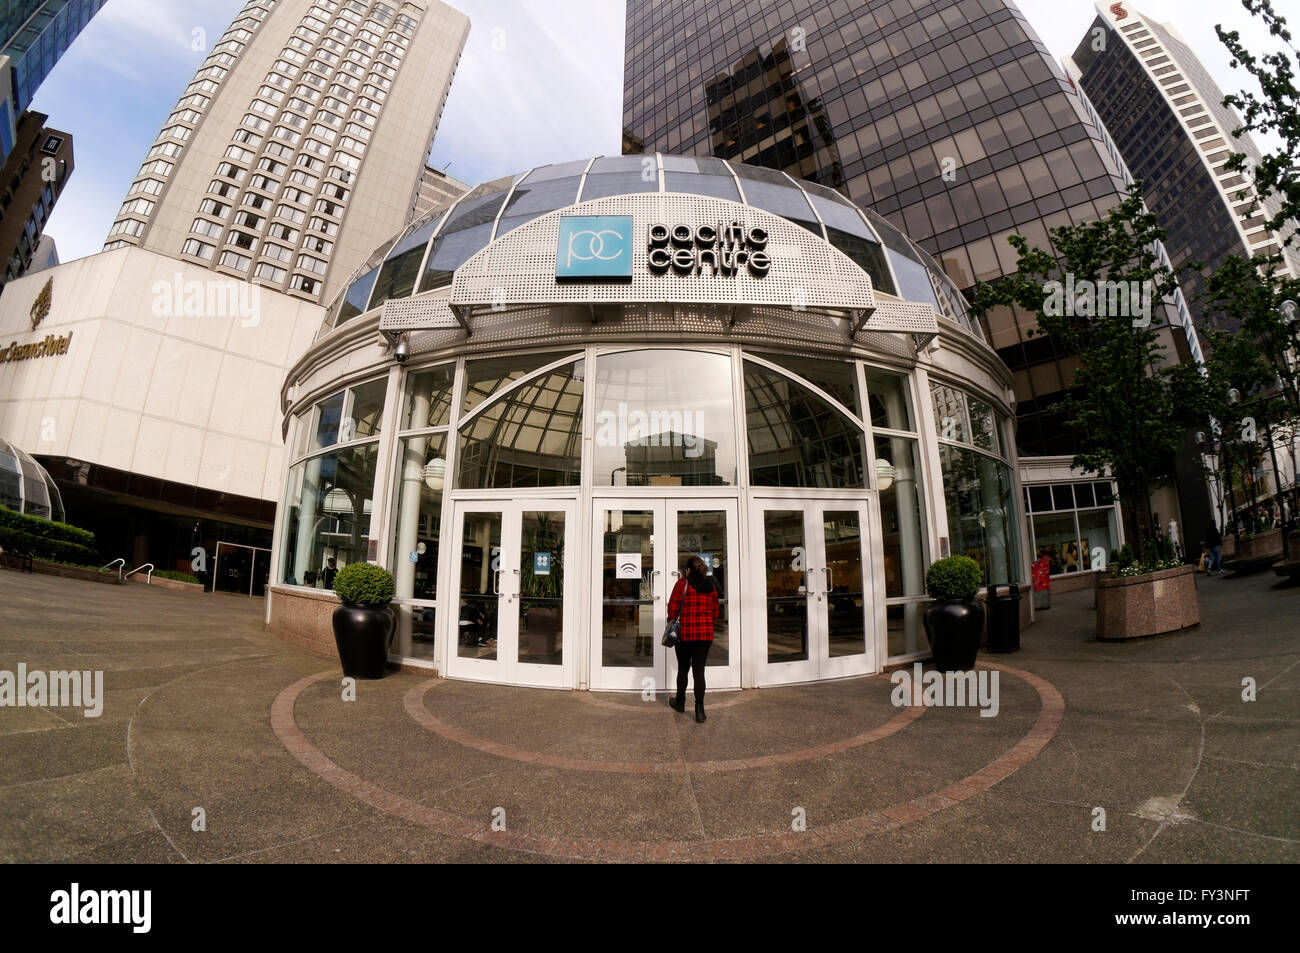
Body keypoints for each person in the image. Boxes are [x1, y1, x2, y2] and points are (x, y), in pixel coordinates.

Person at [667, 556, 719, 723]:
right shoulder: (710, 587)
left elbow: (673, 610)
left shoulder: (682, 584)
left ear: (688, 570)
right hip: (705, 636)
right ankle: (699, 709)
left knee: (683, 669)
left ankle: (680, 703)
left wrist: (672, 620)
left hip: (685, 635)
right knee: (699, 672)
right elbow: (715, 612)